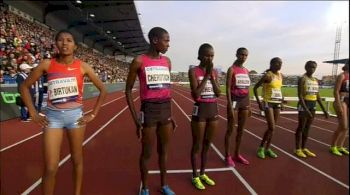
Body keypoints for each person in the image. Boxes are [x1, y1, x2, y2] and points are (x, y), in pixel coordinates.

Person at [19, 29, 107, 195]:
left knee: (76, 160)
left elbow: (103, 90)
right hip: (53, 118)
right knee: (51, 167)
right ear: (56, 44)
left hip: (76, 117)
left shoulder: (83, 66)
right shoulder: (47, 64)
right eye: (61, 40)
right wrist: (33, 112)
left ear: (75, 46)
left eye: (69, 40)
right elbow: (24, 86)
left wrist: (93, 114)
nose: (65, 43)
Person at [125, 27, 175, 195]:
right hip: (149, 111)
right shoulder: (139, 61)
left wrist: (171, 114)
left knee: (164, 151)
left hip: (165, 111)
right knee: (147, 153)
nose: (169, 44)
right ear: (155, 40)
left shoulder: (167, 61)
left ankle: (164, 185)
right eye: (166, 40)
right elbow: (128, 91)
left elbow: (167, 90)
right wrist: (136, 120)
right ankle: (145, 188)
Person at [188, 43, 221, 190]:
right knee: (197, 145)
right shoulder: (193, 71)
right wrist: (206, 76)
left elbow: (219, 93)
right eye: (207, 55)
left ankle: (203, 173)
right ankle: (195, 176)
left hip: (213, 109)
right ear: (200, 55)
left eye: (212, 55)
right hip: (200, 110)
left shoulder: (214, 71)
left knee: (207, 145)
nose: (209, 58)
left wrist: (212, 77)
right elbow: (196, 94)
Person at [295, 61, 329, 158]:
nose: (312, 69)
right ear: (306, 67)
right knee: (301, 127)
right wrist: (306, 109)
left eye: (314, 67)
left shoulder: (315, 80)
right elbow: (300, 95)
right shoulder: (302, 79)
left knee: (307, 128)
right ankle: (297, 149)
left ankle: (304, 148)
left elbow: (317, 96)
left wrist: (324, 110)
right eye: (310, 67)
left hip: (312, 105)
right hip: (304, 104)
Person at [224, 47, 251, 167]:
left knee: (241, 130)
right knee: (230, 129)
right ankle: (227, 155)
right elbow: (228, 89)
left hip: (244, 102)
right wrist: (230, 105)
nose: (243, 57)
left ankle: (237, 154)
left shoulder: (246, 70)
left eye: (245, 55)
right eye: (241, 55)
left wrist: (249, 105)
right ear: (236, 55)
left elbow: (247, 89)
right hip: (234, 101)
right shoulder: (231, 70)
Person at [253, 57, 283, 159]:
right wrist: (259, 102)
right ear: (272, 64)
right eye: (278, 63)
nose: (280, 65)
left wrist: (281, 101)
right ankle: (261, 148)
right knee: (272, 127)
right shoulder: (267, 75)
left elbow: (278, 89)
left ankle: (268, 148)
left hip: (277, 103)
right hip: (268, 103)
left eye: (281, 63)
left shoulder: (280, 75)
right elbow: (255, 88)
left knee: (273, 129)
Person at [330, 61, 349, 156]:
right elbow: (336, 91)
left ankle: (340, 147)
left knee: (347, 127)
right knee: (343, 126)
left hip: (348, 101)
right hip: (341, 102)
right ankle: (333, 146)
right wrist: (338, 103)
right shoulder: (342, 76)